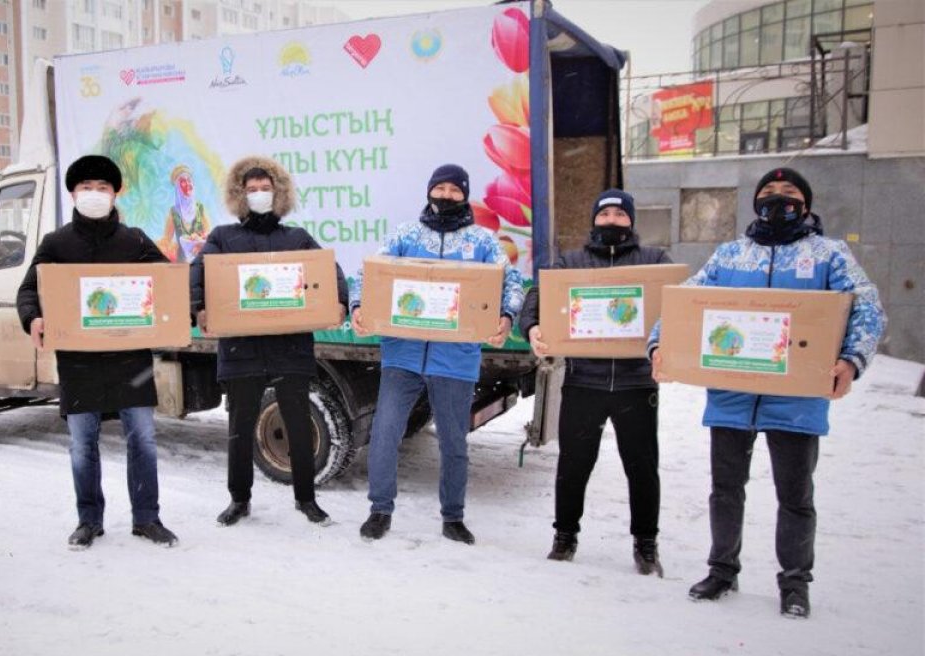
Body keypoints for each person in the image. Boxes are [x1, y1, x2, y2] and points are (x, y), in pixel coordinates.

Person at [649, 167, 886, 618]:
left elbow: (868, 306)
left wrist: (851, 360)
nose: (779, 199)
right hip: (732, 395)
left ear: (807, 204)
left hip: (796, 398)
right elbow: (685, 302)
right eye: (769, 192)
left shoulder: (828, 255)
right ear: (755, 203)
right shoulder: (731, 256)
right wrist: (660, 343)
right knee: (725, 489)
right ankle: (722, 569)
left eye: (790, 192)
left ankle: (795, 582)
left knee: (795, 494)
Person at [351, 164, 524, 545]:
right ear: (429, 191)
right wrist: (359, 306)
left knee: (453, 441)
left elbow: (511, 282)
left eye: (454, 190)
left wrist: (507, 316)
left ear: (464, 195)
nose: (446, 195)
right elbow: (367, 274)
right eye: (439, 188)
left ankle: (453, 517)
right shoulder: (405, 235)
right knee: (385, 433)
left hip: (456, 358)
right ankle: (380, 509)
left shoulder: (482, 241)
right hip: (402, 355)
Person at [16, 155, 179, 550]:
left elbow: (167, 284)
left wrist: (169, 314)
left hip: (131, 360)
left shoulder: (134, 241)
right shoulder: (56, 243)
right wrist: (33, 317)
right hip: (79, 361)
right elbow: (29, 291)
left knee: (143, 439)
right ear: (73, 194)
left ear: (115, 193)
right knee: (82, 444)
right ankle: (89, 520)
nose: (94, 194)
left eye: (102, 188)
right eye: (86, 188)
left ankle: (147, 517)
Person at [189, 155, 347, 527]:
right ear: (240, 195)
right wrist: (198, 307)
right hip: (240, 348)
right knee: (240, 428)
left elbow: (328, 269)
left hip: (289, 346)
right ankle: (239, 500)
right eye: (252, 189)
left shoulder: (296, 238)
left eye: (265, 188)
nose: (259, 194)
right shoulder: (223, 238)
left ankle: (306, 499)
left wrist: (338, 299)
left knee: (297, 423)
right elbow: (199, 271)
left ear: (278, 194)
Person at [520, 189, 671, 575]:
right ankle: (565, 536)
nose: (612, 221)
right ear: (594, 219)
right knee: (574, 465)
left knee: (641, 468)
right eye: (605, 214)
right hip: (584, 380)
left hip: (637, 384)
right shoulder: (571, 263)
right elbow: (537, 298)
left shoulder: (654, 262)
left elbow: (677, 307)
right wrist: (533, 326)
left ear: (631, 221)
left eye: (621, 215)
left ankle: (646, 543)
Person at [158, 165, 211, 262]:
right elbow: (167, 239)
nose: (187, 184)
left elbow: (208, 236)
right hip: (181, 263)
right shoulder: (173, 212)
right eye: (182, 181)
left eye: (189, 180)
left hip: (200, 261)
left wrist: (200, 243)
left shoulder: (200, 209)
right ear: (177, 187)